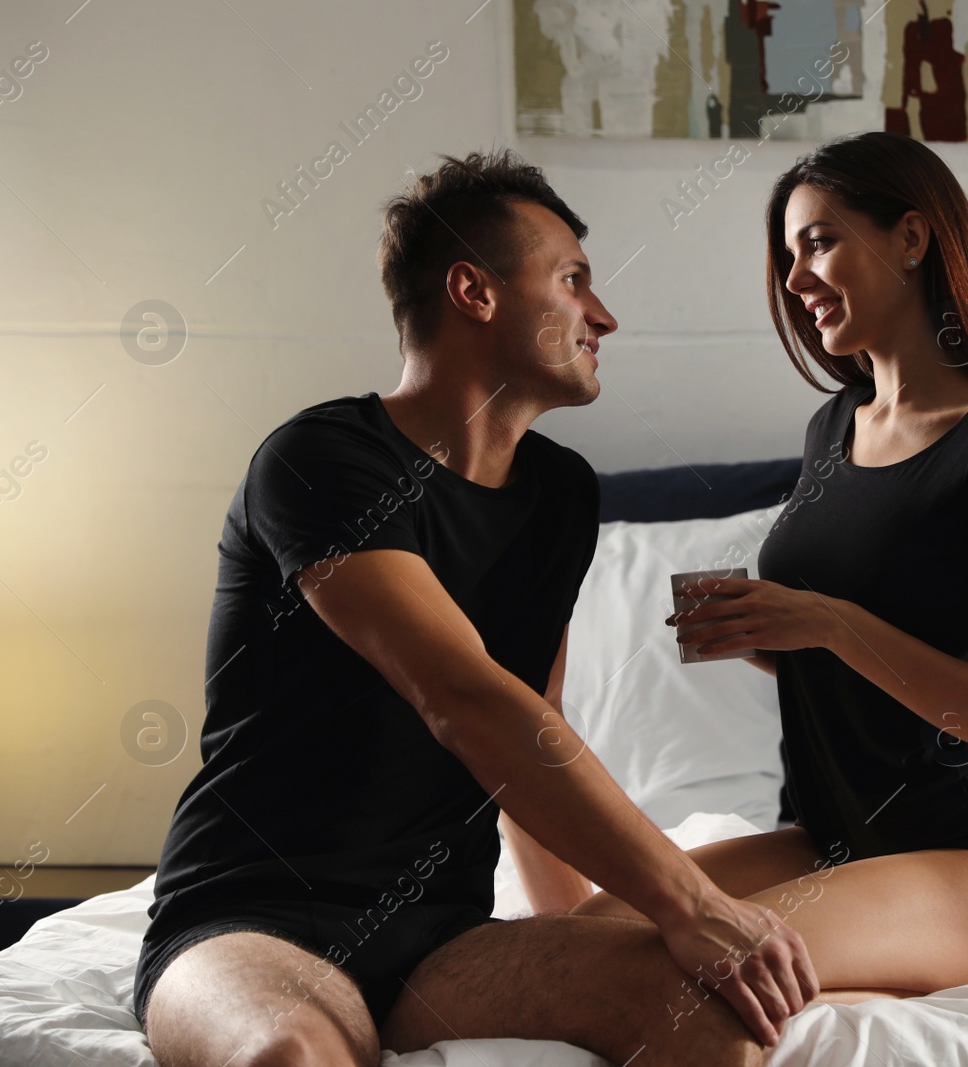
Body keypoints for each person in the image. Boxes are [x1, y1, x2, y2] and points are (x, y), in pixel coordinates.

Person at [134, 149, 817, 1067]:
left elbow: (536, 728)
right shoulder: (322, 461)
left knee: (714, 1018)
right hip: (254, 917)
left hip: (441, 936)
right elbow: (461, 696)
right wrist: (689, 901)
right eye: (573, 280)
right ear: (474, 291)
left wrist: (571, 928)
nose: (603, 315)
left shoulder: (562, 495)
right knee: (289, 1054)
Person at [571, 131, 968, 1002]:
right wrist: (767, 628)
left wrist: (829, 623)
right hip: (832, 834)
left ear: (912, 239)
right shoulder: (833, 430)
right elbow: (875, 650)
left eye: (819, 242)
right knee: (581, 936)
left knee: (691, 971)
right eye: (789, 254)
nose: (795, 280)